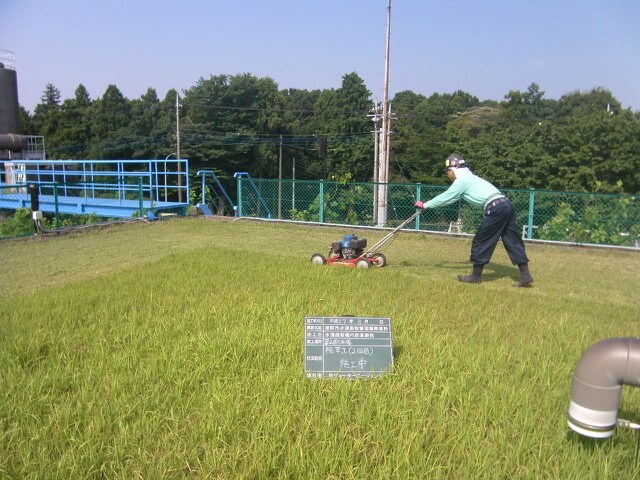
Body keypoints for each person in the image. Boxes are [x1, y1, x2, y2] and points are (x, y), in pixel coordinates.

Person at [414, 153, 533, 287]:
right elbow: (452, 198)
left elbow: (446, 197)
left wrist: (425, 205)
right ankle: (526, 275)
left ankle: (475, 276)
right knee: (512, 240)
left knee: (482, 240)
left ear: (453, 170)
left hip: (495, 208)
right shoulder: (471, 178)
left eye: (447, 171)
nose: (448, 175)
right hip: (506, 205)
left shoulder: (462, 181)